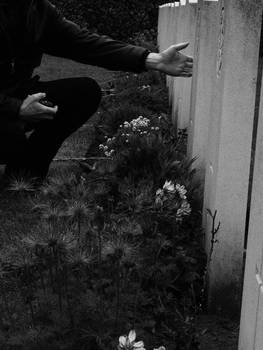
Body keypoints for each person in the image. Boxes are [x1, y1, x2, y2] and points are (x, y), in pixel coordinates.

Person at [0, 0, 193, 183]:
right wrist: (16, 108)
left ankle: (24, 175)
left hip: (13, 95)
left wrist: (152, 60)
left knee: (83, 93)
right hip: (7, 105)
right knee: (11, 138)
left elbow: (84, 43)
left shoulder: (37, 11)